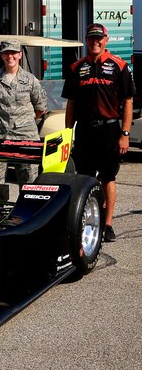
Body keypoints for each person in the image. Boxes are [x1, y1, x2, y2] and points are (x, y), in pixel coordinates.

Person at [63, 23, 134, 242]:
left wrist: (125, 133)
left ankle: (108, 224)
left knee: (107, 178)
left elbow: (128, 101)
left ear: (106, 40)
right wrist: (67, 133)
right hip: (84, 130)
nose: (95, 42)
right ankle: (85, 220)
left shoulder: (119, 66)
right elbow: (72, 103)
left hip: (110, 130)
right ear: (86, 40)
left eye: (99, 39)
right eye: (91, 38)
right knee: (83, 179)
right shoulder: (77, 67)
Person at [0, 38, 46, 185]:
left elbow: (40, 108)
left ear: (20, 54)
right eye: (6, 53)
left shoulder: (30, 80)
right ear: (2, 55)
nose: (10, 56)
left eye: (14, 53)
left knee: (29, 180)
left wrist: (24, 122)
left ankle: (27, 208)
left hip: (25, 136)